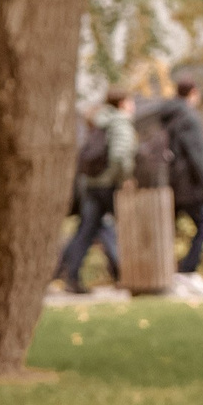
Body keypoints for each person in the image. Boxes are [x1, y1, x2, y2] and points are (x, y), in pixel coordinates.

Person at [56, 89, 138, 293]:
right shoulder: (120, 121)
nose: (133, 106)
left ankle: (71, 277)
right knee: (128, 229)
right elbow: (120, 155)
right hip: (109, 184)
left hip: (91, 184)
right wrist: (125, 177)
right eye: (131, 101)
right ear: (122, 103)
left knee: (87, 230)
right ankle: (128, 275)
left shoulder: (98, 120)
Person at [156, 78, 203, 296]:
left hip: (170, 182)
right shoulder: (190, 118)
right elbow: (197, 155)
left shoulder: (167, 116)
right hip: (189, 184)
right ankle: (187, 271)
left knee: (169, 230)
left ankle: (168, 273)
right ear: (193, 92)